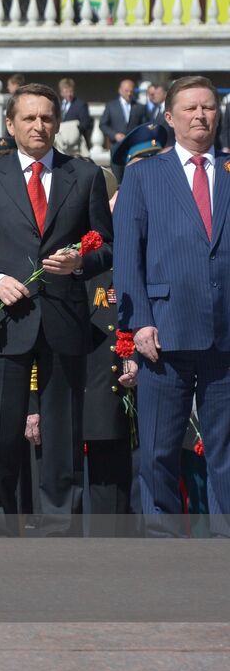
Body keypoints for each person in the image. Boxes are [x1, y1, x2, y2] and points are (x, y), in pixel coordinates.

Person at [0, 83, 115, 537]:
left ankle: (60, 528)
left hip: (64, 320)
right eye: (29, 118)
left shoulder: (83, 176)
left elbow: (107, 245)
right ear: (11, 124)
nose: (38, 125)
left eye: (46, 118)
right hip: (6, 322)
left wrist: (81, 260)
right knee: (1, 437)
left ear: (57, 123)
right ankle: (2, 526)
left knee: (61, 435)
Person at [114, 75, 230, 536]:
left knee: (224, 449)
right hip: (162, 333)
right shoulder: (144, 175)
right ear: (170, 117)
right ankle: (163, 543)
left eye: (208, 108)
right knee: (160, 450)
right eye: (190, 108)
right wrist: (138, 321)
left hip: (224, 334)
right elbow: (128, 256)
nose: (201, 115)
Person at [84, 167, 139, 535]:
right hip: (75, 386)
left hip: (112, 388)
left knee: (113, 488)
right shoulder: (68, 256)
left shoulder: (124, 253)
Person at [99, 78, 149, 150]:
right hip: (116, 146)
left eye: (131, 91)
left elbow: (144, 125)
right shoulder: (111, 106)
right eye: (126, 91)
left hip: (134, 146)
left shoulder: (139, 107)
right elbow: (103, 124)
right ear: (120, 91)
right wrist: (115, 135)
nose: (129, 94)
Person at [58, 78, 94, 149]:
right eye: (66, 91)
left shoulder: (80, 105)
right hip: (61, 142)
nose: (69, 94)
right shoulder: (58, 105)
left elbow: (86, 123)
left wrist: (73, 129)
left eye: (71, 91)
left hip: (75, 144)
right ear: (61, 93)